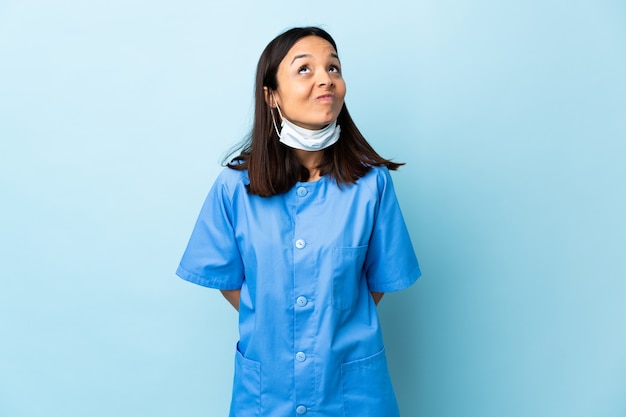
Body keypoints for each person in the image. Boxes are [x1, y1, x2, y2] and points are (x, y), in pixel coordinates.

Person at [176, 26, 421, 417]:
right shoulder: (234, 187)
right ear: (271, 96)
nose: (326, 78)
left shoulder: (372, 185)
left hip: (352, 392)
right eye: (304, 69)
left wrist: (330, 317)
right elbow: (225, 279)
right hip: (267, 390)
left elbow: (378, 284)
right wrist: (279, 315)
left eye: (334, 68)